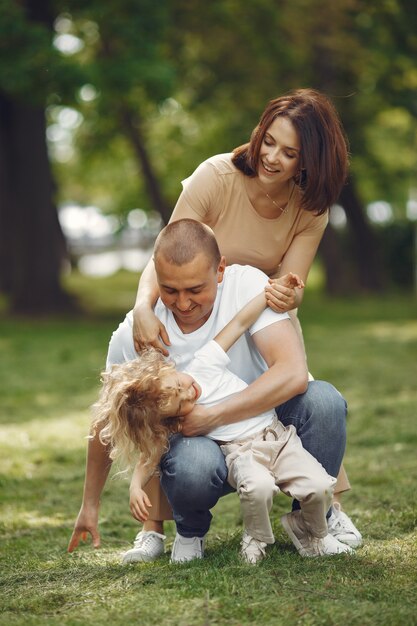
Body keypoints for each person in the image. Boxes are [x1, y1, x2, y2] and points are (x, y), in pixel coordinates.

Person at [129, 88, 361, 550]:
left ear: (309, 160)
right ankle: (154, 526)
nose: (272, 157)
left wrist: (287, 292)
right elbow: (167, 254)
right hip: (192, 315)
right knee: (171, 404)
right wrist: (141, 307)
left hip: (255, 318)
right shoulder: (215, 176)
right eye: (268, 140)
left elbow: (292, 282)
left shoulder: (309, 207)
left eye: (289, 152)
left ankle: (314, 515)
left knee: (319, 399)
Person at [68, 219, 352, 563]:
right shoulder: (136, 331)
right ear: (155, 277)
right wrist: (90, 504)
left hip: (266, 425)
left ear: (219, 270)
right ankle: (190, 533)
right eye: (170, 290)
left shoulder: (245, 285)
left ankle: (309, 522)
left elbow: (292, 374)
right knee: (193, 462)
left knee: (324, 401)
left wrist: (212, 415)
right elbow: (107, 419)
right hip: (198, 446)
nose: (183, 303)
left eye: (194, 289)